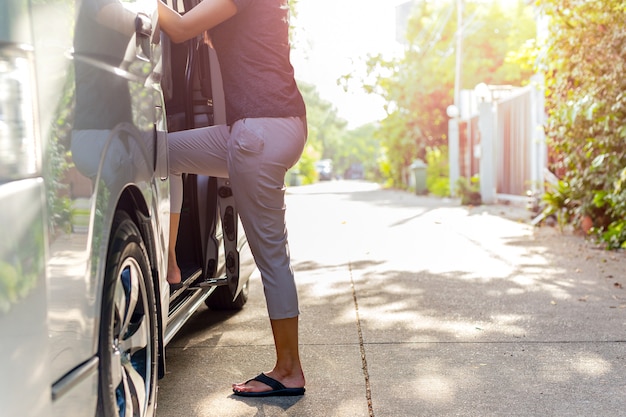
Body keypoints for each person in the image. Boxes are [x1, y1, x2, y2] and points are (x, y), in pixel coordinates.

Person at [158, 0, 307, 397]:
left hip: (258, 131)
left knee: (273, 258)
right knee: (160, 152)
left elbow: (177, 27)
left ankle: (288, 370)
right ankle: (170, 261)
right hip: (269, 127)